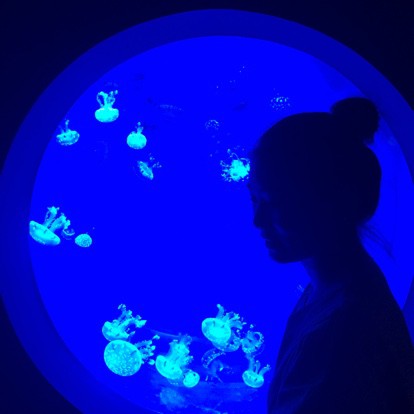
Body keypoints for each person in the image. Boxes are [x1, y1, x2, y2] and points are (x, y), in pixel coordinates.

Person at [248, 97, 414, 413]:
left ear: (334, 201)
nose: (257, 219)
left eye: (276, 200)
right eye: (254, 197)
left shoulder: (344, 330)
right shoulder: (333, 288)